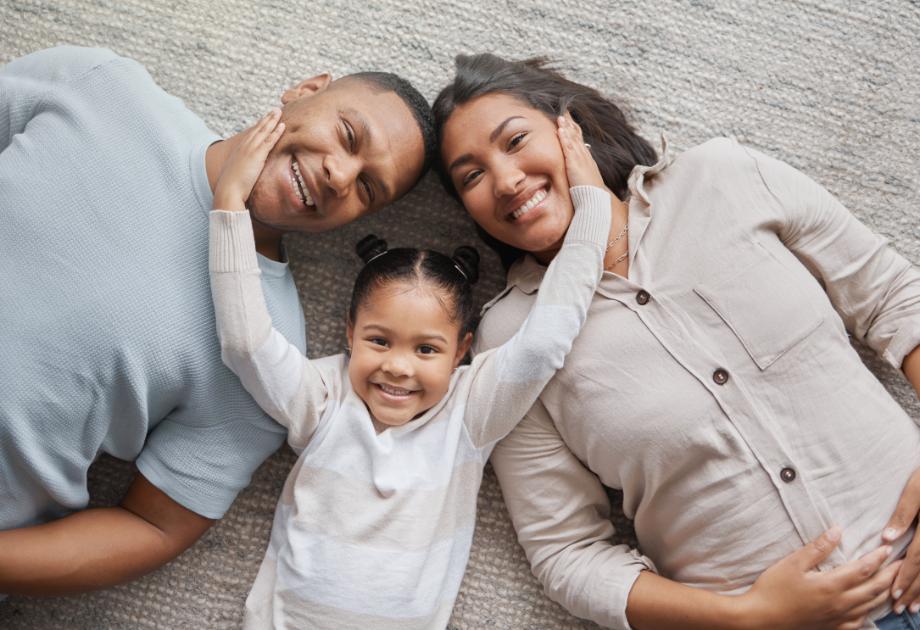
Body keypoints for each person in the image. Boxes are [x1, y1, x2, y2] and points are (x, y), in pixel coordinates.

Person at [433, 53, 920, 630]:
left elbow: (895, 296)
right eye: (472, 176)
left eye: (515, 141)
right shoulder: (511, 338)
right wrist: (745, 617)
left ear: (573, 129)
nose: (506, 180)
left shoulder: (722, 176)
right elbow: (566, 553)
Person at [0, 45, 435, 596]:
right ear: (306, 88)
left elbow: (153, 526)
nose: (339, 174)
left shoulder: (265, 350)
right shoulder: (100, 86)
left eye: (367, 189)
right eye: (348, 135)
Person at [206, 107, 610, 629]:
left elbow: (543, 342)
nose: (397, 368)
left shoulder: (470, 412)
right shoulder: (325, 398)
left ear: (463, 350)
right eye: (378, 340)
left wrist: (591, 204)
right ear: (350, 332)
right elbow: (245, 341)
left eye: (426, 350)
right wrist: (230, 205)